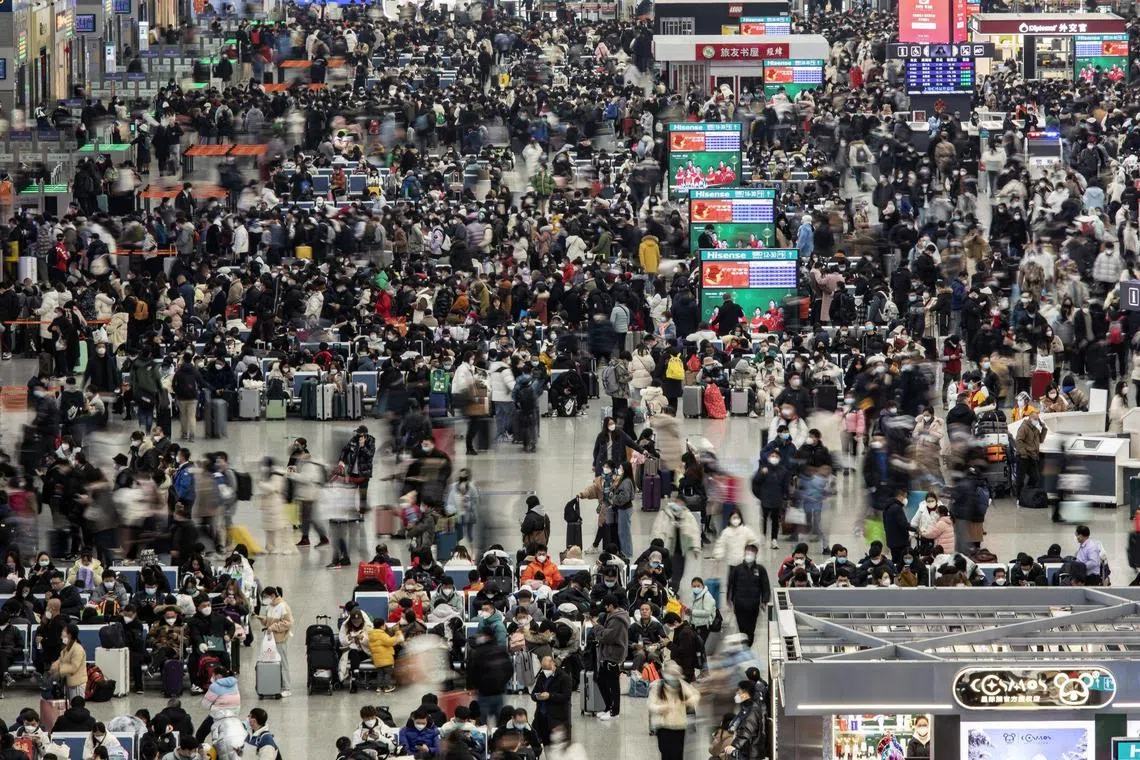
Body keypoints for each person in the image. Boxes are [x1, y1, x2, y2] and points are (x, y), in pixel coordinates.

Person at [647, 660, 699, 760]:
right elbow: (651, 704)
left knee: (678, 754)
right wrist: (661, 708)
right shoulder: (657, 686)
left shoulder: (682, 685)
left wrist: (688, 702)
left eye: (676, 674)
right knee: (665, 753)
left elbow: (695, 695)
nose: (673, 678)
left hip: (679, 726)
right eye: (671, 673)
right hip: (663, 727)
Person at [727, 543, 770, 646]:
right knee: (742, 628)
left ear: (756, 554)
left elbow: (765, 585)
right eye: (748, 551)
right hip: (739, 604)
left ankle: (747, 646)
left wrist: (764, 601)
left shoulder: (760, 569)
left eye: (752, 552)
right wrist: (729, 599)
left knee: (751, 629)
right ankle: (745, 646)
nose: (749, 554)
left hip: (753, 605)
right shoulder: (737, 569)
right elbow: (730, 584)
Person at [594, 594, 629, 721]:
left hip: (613, 655)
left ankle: (614, 711)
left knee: (613, 684)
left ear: (611, 605)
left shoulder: (617, 620)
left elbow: (608, 637)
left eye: (605, 605)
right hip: (608, 654)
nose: (604, 607)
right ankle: (608, 707)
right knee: (601, 680)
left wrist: (597, 627)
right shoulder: (612, 617)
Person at [257, 587, 293, 697]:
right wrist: (263, 620)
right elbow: (269, 621)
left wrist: (273, 627)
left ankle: (287, 687)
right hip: (269, 639)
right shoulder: (270, 606)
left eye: (266, 597)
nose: (265, 599)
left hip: (280, 639)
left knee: (282, 663)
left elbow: (288, 623)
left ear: (272, 595)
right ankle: (276, 684)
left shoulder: (283, 606)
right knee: (272, 663)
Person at [530, 654, 572, 746]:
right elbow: (533, 693)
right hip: (542, 718)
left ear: (553, 664)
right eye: (543, 668)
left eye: (547, 669)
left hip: (557, 719)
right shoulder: (542, 677)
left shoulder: (564, 678)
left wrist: (550, 696)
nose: (546, 671)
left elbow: (566, 696)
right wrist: (537, 696)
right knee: (546, 744)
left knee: (558, 746)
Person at [51, 622, 88, 699]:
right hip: (69, 682)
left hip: (77, 684)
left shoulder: (77, 649)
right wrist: (55, 665)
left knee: (77, 707)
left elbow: (73, 667)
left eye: (64, 631)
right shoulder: (67, 648)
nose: (61, 633)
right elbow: (61, 659)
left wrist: (59, 669)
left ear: (69, 635)